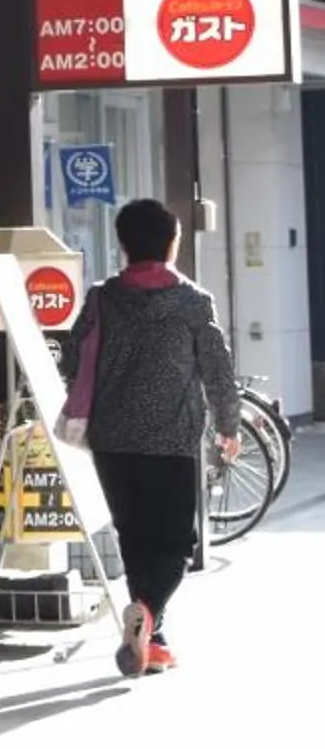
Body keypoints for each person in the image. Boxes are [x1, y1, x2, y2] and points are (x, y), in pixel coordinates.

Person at [64, 199, 242, 678]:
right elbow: (218, 371)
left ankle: (152, 639)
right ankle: (145, 612)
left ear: (123, 244)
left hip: (112, 440)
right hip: (172, 440)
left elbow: (71, 357)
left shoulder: (103, 297)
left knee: (136, 537)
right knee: (176, 546)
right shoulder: (192, 301)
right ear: (172, 242)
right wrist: (229, 425)